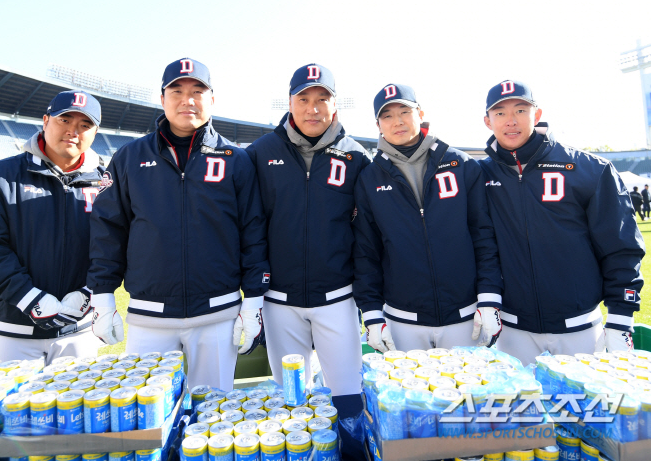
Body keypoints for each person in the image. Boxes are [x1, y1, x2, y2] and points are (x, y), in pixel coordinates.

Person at [87, 58, 269, 390]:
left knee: (213, 414)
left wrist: (254, 297)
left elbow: (253, 232)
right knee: (146, 419)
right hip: (149, 316)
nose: (188, 100)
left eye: (197, 91)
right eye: (177, 91)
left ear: (212, 99)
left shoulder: (236, 160)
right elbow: (108, 229)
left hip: (218, 313)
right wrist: (102, 295)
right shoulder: (129, 157)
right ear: (162, 99)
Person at [245, 64, 370, 459]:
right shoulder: (260, 153)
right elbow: (250, 226)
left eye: (322, 99)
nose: (313, 108)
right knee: (292, 398)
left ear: (335, 104)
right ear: (290, 102)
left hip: (337, 296)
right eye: (304, 99)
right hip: (279, 300)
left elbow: (366, 233)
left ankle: (351, 455)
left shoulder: (355, 156)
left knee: (348, 393)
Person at [479, 80, 645, 365]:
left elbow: (621, 247)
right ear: (487, 121)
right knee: (521, 408)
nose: (511, 121)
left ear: (537, 114)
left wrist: (621, 316)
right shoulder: (478, 175)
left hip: (579, 328)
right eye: (500, 113)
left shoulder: (589, 169)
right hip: (512, 330)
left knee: (583, 408)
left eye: (520, 110)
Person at [352, 84, 503, 353]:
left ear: (420, 113)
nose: (397, 121)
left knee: (466, 393)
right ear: (378, 124)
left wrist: (489, 298)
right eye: (387, 116)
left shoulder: (462, 164)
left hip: (465, 316)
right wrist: (371, 312)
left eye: (404, 111)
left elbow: (484, 235)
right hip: (402, 319)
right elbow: (366, 251)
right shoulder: (368, 178)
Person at [0, 90, 104, 364]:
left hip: (80, 330)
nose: (74, 131)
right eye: (65, 120)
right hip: (14, 331)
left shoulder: (107, 184)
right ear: (46, 121)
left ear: (95, 132)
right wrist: (27, 297)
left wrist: (91, 292)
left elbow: (118, 246)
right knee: (12, 407)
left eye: (85, 125)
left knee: (78, 406)